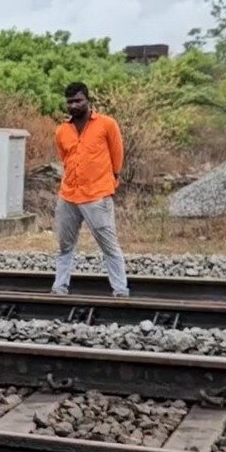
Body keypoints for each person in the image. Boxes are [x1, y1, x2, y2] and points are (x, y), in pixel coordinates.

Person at [51, 81, 130, 297]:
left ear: (88, 100)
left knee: (108, 244)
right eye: (70, 102)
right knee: (65, 245)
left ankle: (120, 290)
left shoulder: (106, 124)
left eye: (78, 101)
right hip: (68, 195)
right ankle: (60, 287)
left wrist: (112, 179)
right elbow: (65, 159)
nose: (74, 106)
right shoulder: (62, 131)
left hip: (97, 195)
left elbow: (117, 154)